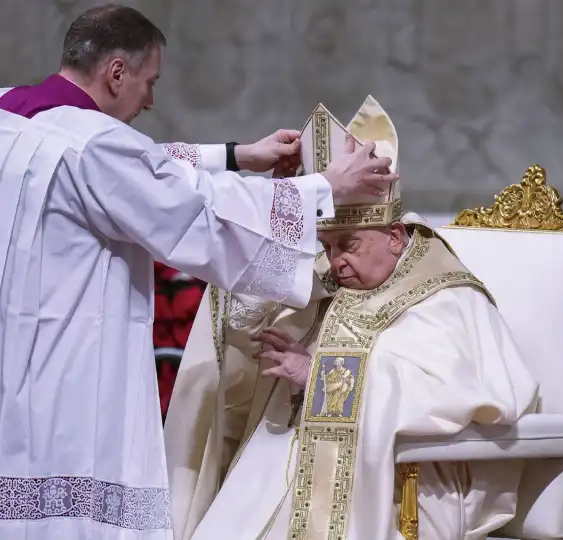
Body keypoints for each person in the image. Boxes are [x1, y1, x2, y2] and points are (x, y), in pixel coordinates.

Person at [0, 5, 397, 539]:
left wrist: (236, 156)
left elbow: (145, 167)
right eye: (150, 82)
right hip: (67, 354)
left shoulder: (14, 110)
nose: (151, 100)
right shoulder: (95, 146)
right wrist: (325, 188)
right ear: (116, 72)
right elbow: (195, 213)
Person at [164, 96, 539, 540]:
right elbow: (241, 321)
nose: (336, 262)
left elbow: (470, 396)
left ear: (396, 236)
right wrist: (287, 203)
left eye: (350, 245)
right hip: (288, 462)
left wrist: (318, 375)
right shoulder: (332, 281)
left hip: (398, 478)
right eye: (328, 248)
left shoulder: (446, 293)